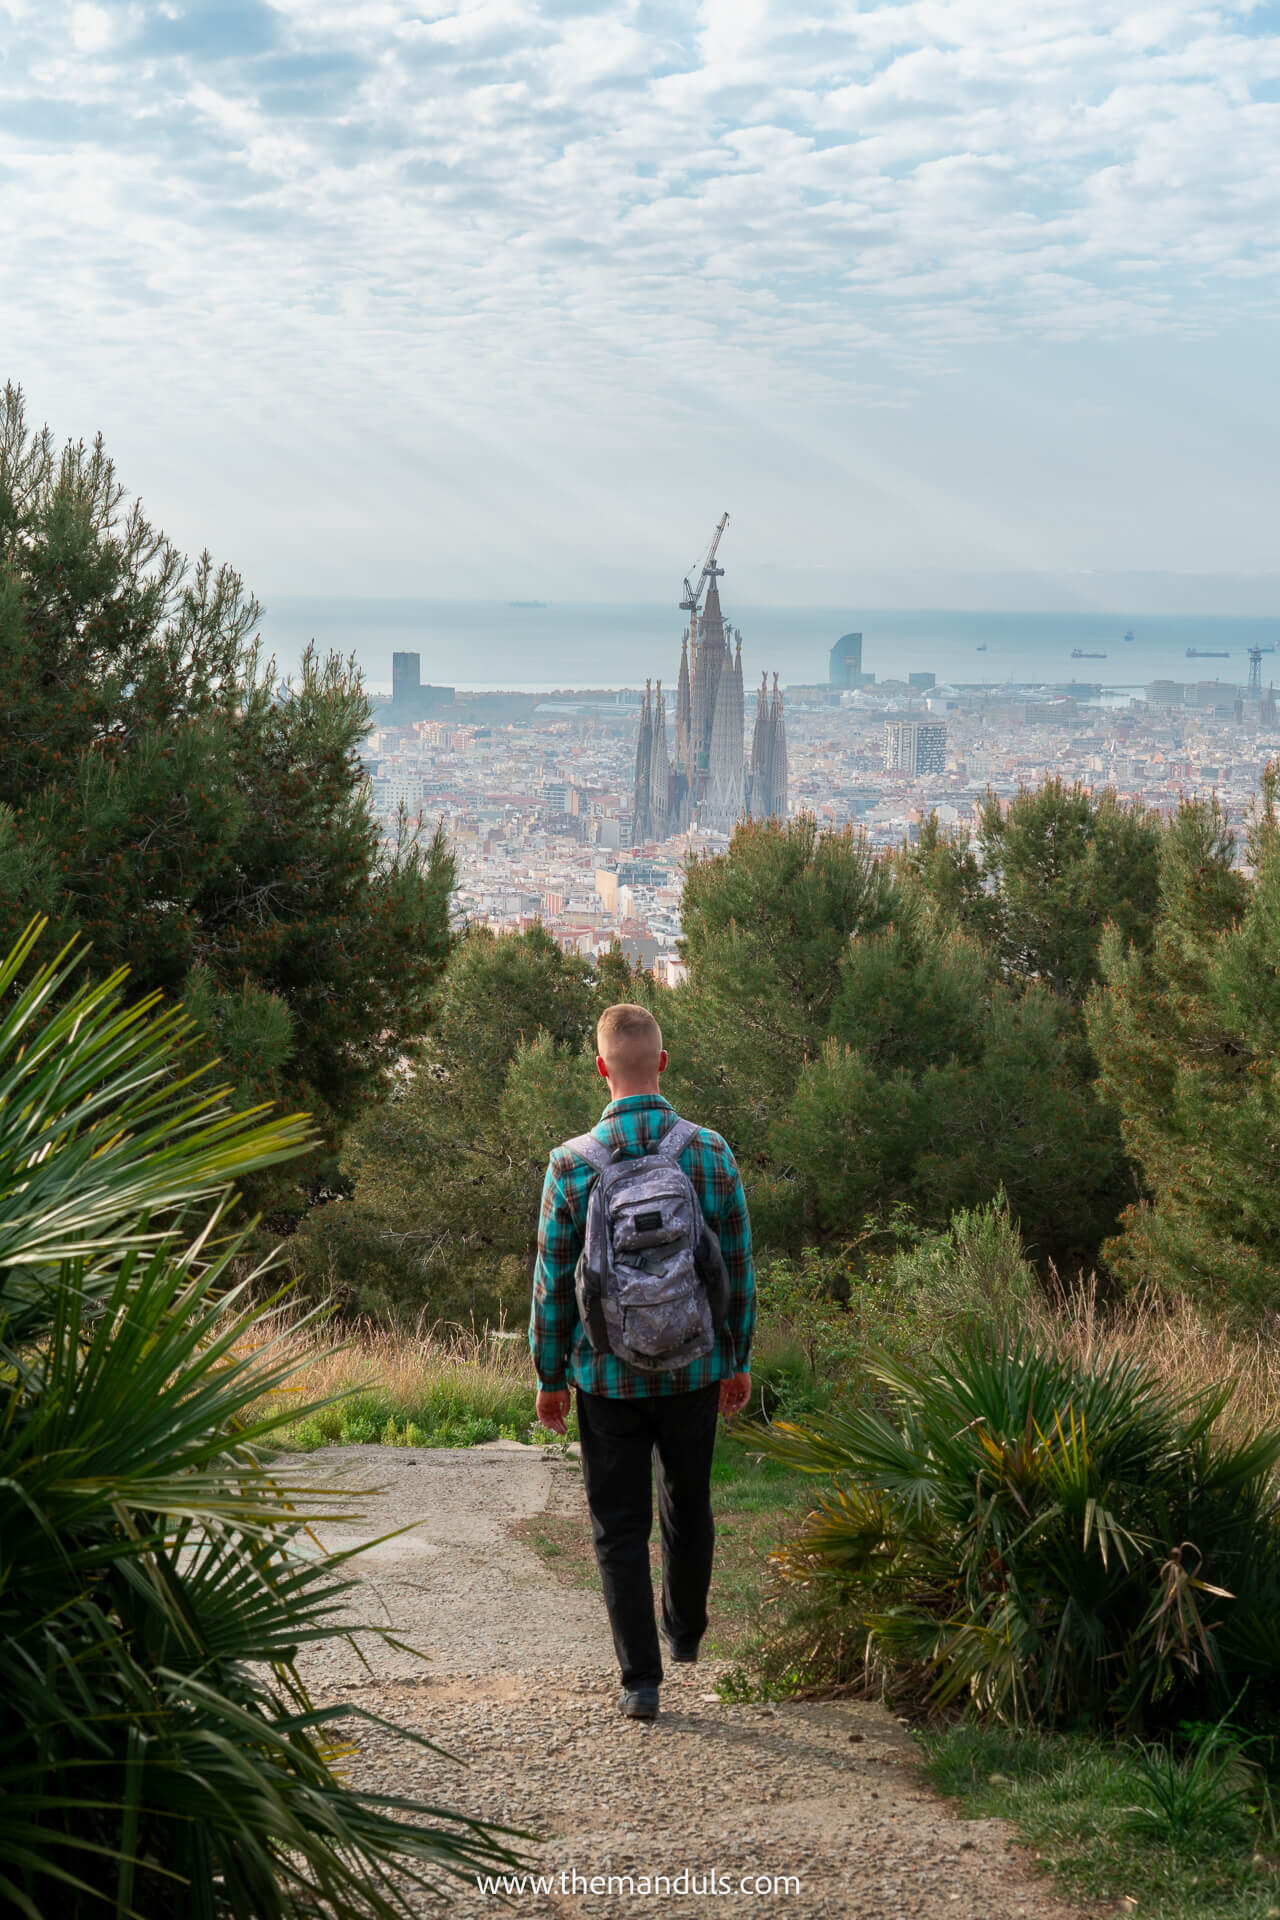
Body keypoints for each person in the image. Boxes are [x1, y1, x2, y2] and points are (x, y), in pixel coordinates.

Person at [529, 1001, 754, 1722]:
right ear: (662, 1061)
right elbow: (739, 1265)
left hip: (603, 1375)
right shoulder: (709, 1151)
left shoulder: (571, 1163)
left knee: (617, 1525)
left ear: (601, 1068)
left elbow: (552, 1278)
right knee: (688, 1502)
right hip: (694, 1366)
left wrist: (549, 1374)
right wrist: (736, 1356)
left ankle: (640, 1681)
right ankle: (684, 1634)